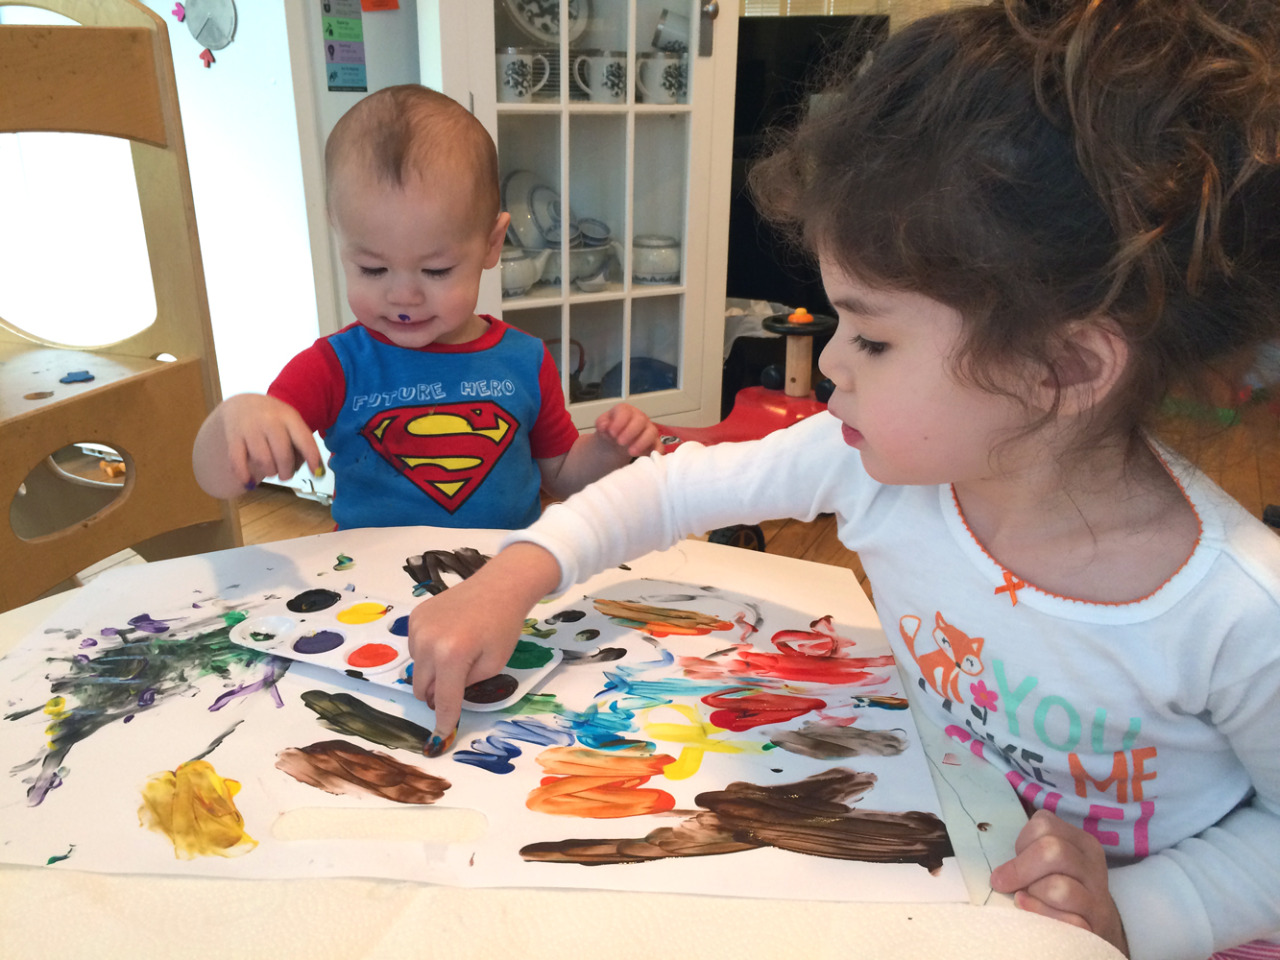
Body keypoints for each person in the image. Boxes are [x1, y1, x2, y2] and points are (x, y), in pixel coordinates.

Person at [404, 2, 1280, 957]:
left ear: (1062, 369)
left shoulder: (1240, 613)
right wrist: (512, 576)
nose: (828, 366)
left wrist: (1136, 915)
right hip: (939, 861)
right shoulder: (874, 463)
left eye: (872, 337)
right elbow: (667, 489)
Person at [192, 85, 657, 530]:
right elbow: (219, 482)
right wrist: (238, 420)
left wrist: (609, 450)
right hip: (372, 578)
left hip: (503, 572)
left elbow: (562, 478)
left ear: (492, 244)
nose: (404, 297)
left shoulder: (526, 361)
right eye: (373, 269)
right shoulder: (333, 368)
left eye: (436, 271)